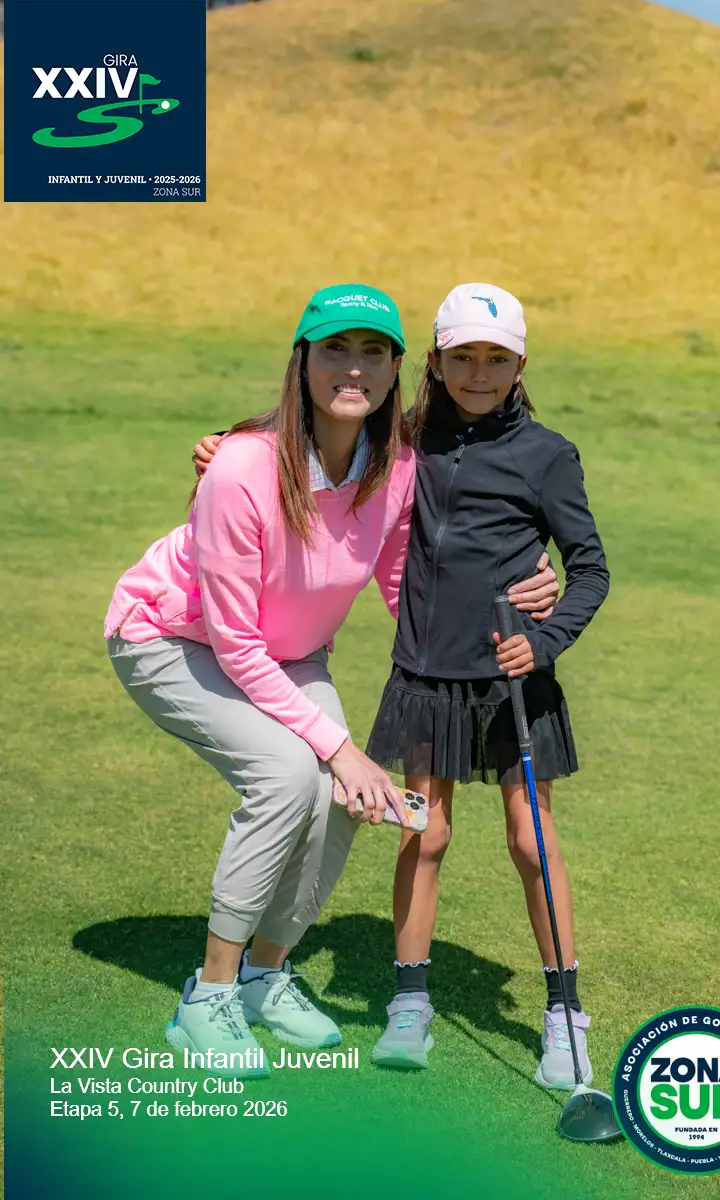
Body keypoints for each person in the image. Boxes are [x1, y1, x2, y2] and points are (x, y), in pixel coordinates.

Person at [105, 284, 423, 1076]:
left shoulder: (398, 468)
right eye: (335, 348)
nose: (354, 368)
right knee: (288, 775)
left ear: (395, 369)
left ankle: (262, 976)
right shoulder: (242, 466)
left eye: (374, 351)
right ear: (302, 361)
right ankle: (207, 998)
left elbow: (404, 588)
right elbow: (234, 641)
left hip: (289, 654)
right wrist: (339, 747)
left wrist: (498, 620)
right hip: (170, 637)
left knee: (346, 795)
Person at [363, 284, 610, 1087]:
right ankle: (409, 1002)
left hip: (512, 682)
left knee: (530, 841)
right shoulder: (404, 440)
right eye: (463, 357)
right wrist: (224, 446)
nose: (478, 373)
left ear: (520, 364)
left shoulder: (548, 454)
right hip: (425, 677)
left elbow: (590, 569)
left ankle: (565, 1017)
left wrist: (544, 641)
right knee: (423, 833)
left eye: (495, 359)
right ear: (435, 362)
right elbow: (314, 442)